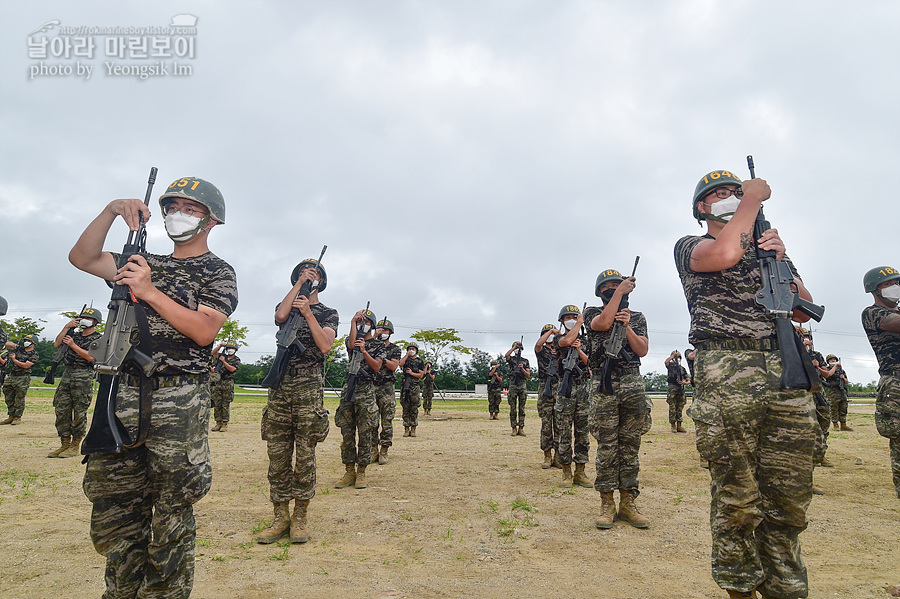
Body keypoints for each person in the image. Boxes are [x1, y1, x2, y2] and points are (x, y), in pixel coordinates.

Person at [69, 175, 237, 598]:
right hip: (121, 394)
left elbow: (203, 330)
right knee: (117, 509)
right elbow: (83, 257)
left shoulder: (218, 271)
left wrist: (149, 290)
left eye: (190, 209)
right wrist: (111, 211)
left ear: (211, 221)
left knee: (172, 510)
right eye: (172, 207)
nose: (178, 215)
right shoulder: (140, 260)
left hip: (179, 400)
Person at [675, 169, 817, 599]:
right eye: (718, 194)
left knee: (790, 493)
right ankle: (739, 587)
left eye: (735, 192)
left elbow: (804, 310)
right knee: (737, 493)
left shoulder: (769, 250)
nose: (730, 197)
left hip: (786, 369)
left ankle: (785, 586)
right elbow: (721, 256)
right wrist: (753, 200)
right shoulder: (691, 245)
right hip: (726, 369)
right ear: (702, 208)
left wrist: (781, 259)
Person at [257, 257, 336, 545]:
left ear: (322, 281)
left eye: (313, 274)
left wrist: (309, 313)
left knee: (305, 455)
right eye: (302, 273)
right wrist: (299, 287)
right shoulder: (287, 306)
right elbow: (279, 316)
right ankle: (280, 516)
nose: (308, 276)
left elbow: (325, 345)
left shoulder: (328, 313)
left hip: (308, 389)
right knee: (277, 455)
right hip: (280, 387)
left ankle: (300, 516)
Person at [584, 268, 651, 529]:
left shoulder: (637, 317)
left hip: (632, 380)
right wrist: (619, 295)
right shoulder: (591, 312)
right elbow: (601, 324)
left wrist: (627, 327)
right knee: (607, 445)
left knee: (630, 445)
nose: (613, 288)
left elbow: (642, 350)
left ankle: (628, 502)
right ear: (600, 292)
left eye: (618, 284)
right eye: (608, 286)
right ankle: (606, 503)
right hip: (604, 382)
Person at [861, 265, 900, 500]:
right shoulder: (873, 313)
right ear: (876, 290)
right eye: (890, 284)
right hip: (895, 384)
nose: (896, 288)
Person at [334, 308, 384, 490]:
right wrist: (352, 322)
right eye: (362, 322)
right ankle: (349, 470)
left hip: (366, 391)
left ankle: (361, 471)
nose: (364, 325)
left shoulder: (378, 345)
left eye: (367, 322)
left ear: (373, 325)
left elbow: (377, 366)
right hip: (349, 389)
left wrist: (364, 351)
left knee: (365, 433)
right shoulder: (353, 340)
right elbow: (350, 344)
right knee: (347, 433)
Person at [47, 307, 103, 457]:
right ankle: (64, 443)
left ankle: (75, 444)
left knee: (79, 411)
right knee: (61, 408)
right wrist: (66, 327)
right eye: (82, 317)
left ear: (95, 322)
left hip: (84, 375)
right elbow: (57, 344)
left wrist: (73, 345)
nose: (85, 320)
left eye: (88, 318)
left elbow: (91, 357)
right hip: (68, 373)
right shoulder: (73, 335)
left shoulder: (99, 338)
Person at [555, 305, 592, 488]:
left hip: (583, 389)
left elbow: (591, 364)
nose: (570, 319)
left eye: (574, 317)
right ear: (562, 321)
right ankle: (566, 472)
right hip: (565, 389)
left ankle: (580, 471)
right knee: (564, 432)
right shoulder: (558, 338)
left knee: (582, 432)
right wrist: (578, 324)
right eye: (567, 317)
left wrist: (579, 351)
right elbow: (566, 341)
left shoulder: (587, 340)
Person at [800, 328, 834, 473]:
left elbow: (826, 375)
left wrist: (817, 367)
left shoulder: (817, 355)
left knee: (824, 421)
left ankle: (821, 454)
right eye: (803, 337)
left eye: (807, 337)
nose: (806, 340)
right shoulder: (793, 352)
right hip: (802, 392)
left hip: (818, 391)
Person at [372, 318, 400, 465]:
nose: (383, 332)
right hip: (372, 385)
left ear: (391, 332)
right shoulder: (371, 346)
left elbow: (394, 366)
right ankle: (373, 449)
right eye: (381, 329)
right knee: (371, 421)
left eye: (386, 330)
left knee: (387, 420)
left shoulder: (395, 349)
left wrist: (382, 359)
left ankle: (384, 450)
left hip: (387, 387)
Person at [535, 323, 561, 468]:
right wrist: (550, 331)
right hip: (545, 386)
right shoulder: (541, 350)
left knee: (558, 423)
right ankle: (546, 455)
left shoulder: (560, 349)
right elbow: (538, 345)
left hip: (559, 386)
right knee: (546, 424)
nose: (550, 336)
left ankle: (557, 456)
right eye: (547, 333)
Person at [1, 334, 39, 425]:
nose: (26, 342)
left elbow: (26, 366)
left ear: (33, 343)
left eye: (29, 341)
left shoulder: (34, 355)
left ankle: (17, 417)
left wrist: (14, 360)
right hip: (12, 376)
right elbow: (8, 344)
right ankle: (11, 416)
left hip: (23, 377)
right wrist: (3, 341)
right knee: (8, 396)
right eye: (25, 340)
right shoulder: (19, 349)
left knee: (19, 398)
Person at [209, 341, 240, 432]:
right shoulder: (222, 356)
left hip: (227, 383)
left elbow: (232, 369)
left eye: (233, 349)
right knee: (217, 403)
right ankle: (218, 423)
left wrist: (224, 362)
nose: (231, 350)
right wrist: (219, 346)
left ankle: (224, 424)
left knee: (225, 404)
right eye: (229, 348)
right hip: (217, 382)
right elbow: (213, 353)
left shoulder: (236, 359)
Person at [399, 342, 426, 437]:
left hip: (414, 386)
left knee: (414, 408)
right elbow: (400, 364)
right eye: (410, 348)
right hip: (405, 386)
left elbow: (421, 375)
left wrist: (411, 373)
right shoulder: (406, 359)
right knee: (405, 408)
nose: (411, 350)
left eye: (413, 349)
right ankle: (406, 428)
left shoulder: (419, 361)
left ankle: (413, 428)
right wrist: (407, 355)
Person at [504, 340, 531, 436]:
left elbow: (528, 375)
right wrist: (514, 347)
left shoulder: (525, 361)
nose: (517, 350)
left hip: (522, 384)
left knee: (522, 408)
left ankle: (521, 427)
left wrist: (522, 369)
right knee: (513, 408)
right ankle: (513, 427)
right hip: (513, 384)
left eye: (518, 348)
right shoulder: (511, 359)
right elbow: (506, 356)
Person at [821, 354, 852, 431]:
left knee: (843, 407)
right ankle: (835, 424)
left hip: (841, 390)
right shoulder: (827, 369)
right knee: (834, 407)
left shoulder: (841, 370)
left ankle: (843, 424)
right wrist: (835, 367)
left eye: (834, 359)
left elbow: (847, 381)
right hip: (833, 391)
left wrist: (843, 378)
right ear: (828, 361)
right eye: (831, 360)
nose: (833, 361)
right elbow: (828, 375)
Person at [664, 350, 691, 433]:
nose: (677, 359)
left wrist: (685, 383)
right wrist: (673, 356)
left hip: (680, 389)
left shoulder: (682, 369)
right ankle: (673, 426)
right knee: (672, 408)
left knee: (680, 407)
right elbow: (666, 362)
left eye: (678, 357)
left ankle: (679, 425)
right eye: (676, 358)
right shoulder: (671, 366)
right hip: (672, 388)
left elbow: (688, 380)